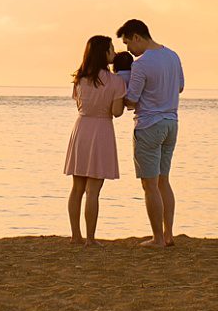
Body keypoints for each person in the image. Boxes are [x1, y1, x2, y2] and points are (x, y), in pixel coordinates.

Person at [116, 18, 184, 247]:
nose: (128, 50)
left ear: (136, 37)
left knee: (150, 184)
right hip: (171, 122)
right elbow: (180, 87)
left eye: (127, 43)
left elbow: (132, 100)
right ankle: (169, 234)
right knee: (164, 180)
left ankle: (157, 238)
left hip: (148, 125)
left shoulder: (141, 64)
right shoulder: (173, 55)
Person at [63, 35, 127, 245]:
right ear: (103, 53)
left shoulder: (80, 79)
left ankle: (75, 236)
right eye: (111, 49)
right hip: (101, 130)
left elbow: (79, 104)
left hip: (81, 129)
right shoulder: (115, 81)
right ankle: (90, 238)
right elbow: (117, 112)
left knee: (77, 188)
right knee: (93, 191)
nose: (114, 53)